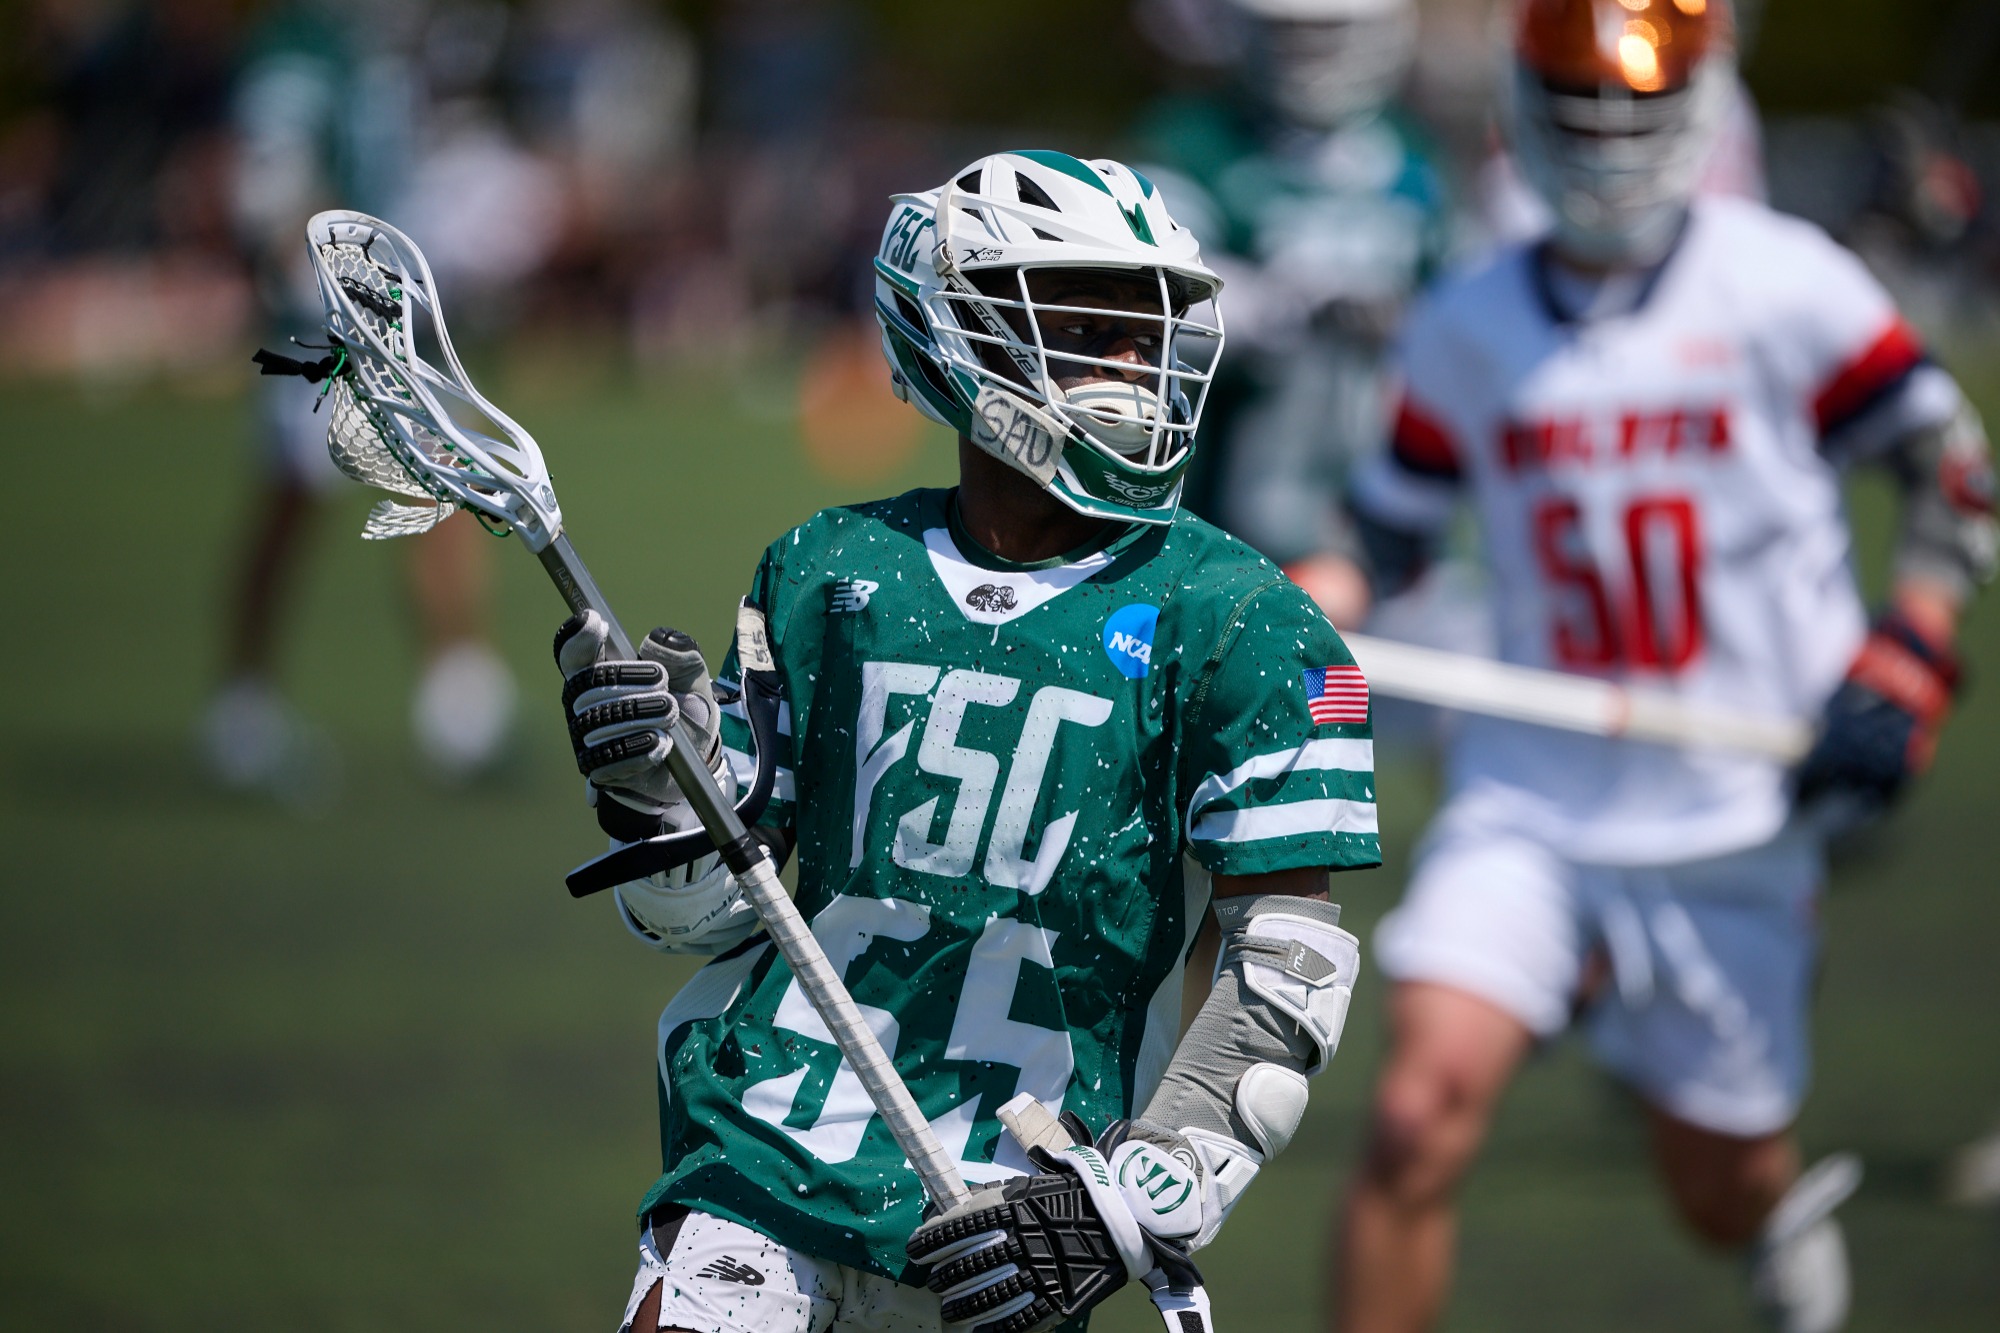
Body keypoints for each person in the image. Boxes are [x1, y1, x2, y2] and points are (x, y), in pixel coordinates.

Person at [550, 149, 1380, 1333]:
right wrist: (650, 789)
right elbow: (705, 913)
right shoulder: (830, 570)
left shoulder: (1242, 618)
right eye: (1092, 323)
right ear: (968, 330)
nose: (1136, 367)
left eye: (1150, 332)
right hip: (768, 1152)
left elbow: (1287, 973)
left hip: (1019, 1212)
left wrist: (1145, 1194)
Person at [1327, 3, 1996, 1332]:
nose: (1608, 149)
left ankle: (1768, 1211)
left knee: (1716, 1186)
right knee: (1412, 1118)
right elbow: (1380, 535)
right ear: (1526, 112)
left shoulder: (1786, 283)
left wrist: (1908, 654)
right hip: (1530, 794)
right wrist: (1295, 619)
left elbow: (1949, 475)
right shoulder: (1470, 320)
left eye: (1636, 115)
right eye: (1579, 117)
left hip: (1732, 806)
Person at [200, 0, 519, 799]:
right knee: (297, 501)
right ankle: (245, 702)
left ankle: (461, 698)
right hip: (326, 317)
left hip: (382, 308)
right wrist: (315, 287)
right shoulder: (299, 49)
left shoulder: (361, 43)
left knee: (440, 482)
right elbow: (270, 180)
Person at [1134, 0, 1451, 627]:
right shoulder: (1194, 143)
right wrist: (1280, 307)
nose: (1311, 53)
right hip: (1230, 494)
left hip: (1378, 495)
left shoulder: (1414, 160)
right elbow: (1146, 309)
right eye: (1290, 33)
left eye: (1331, 31)